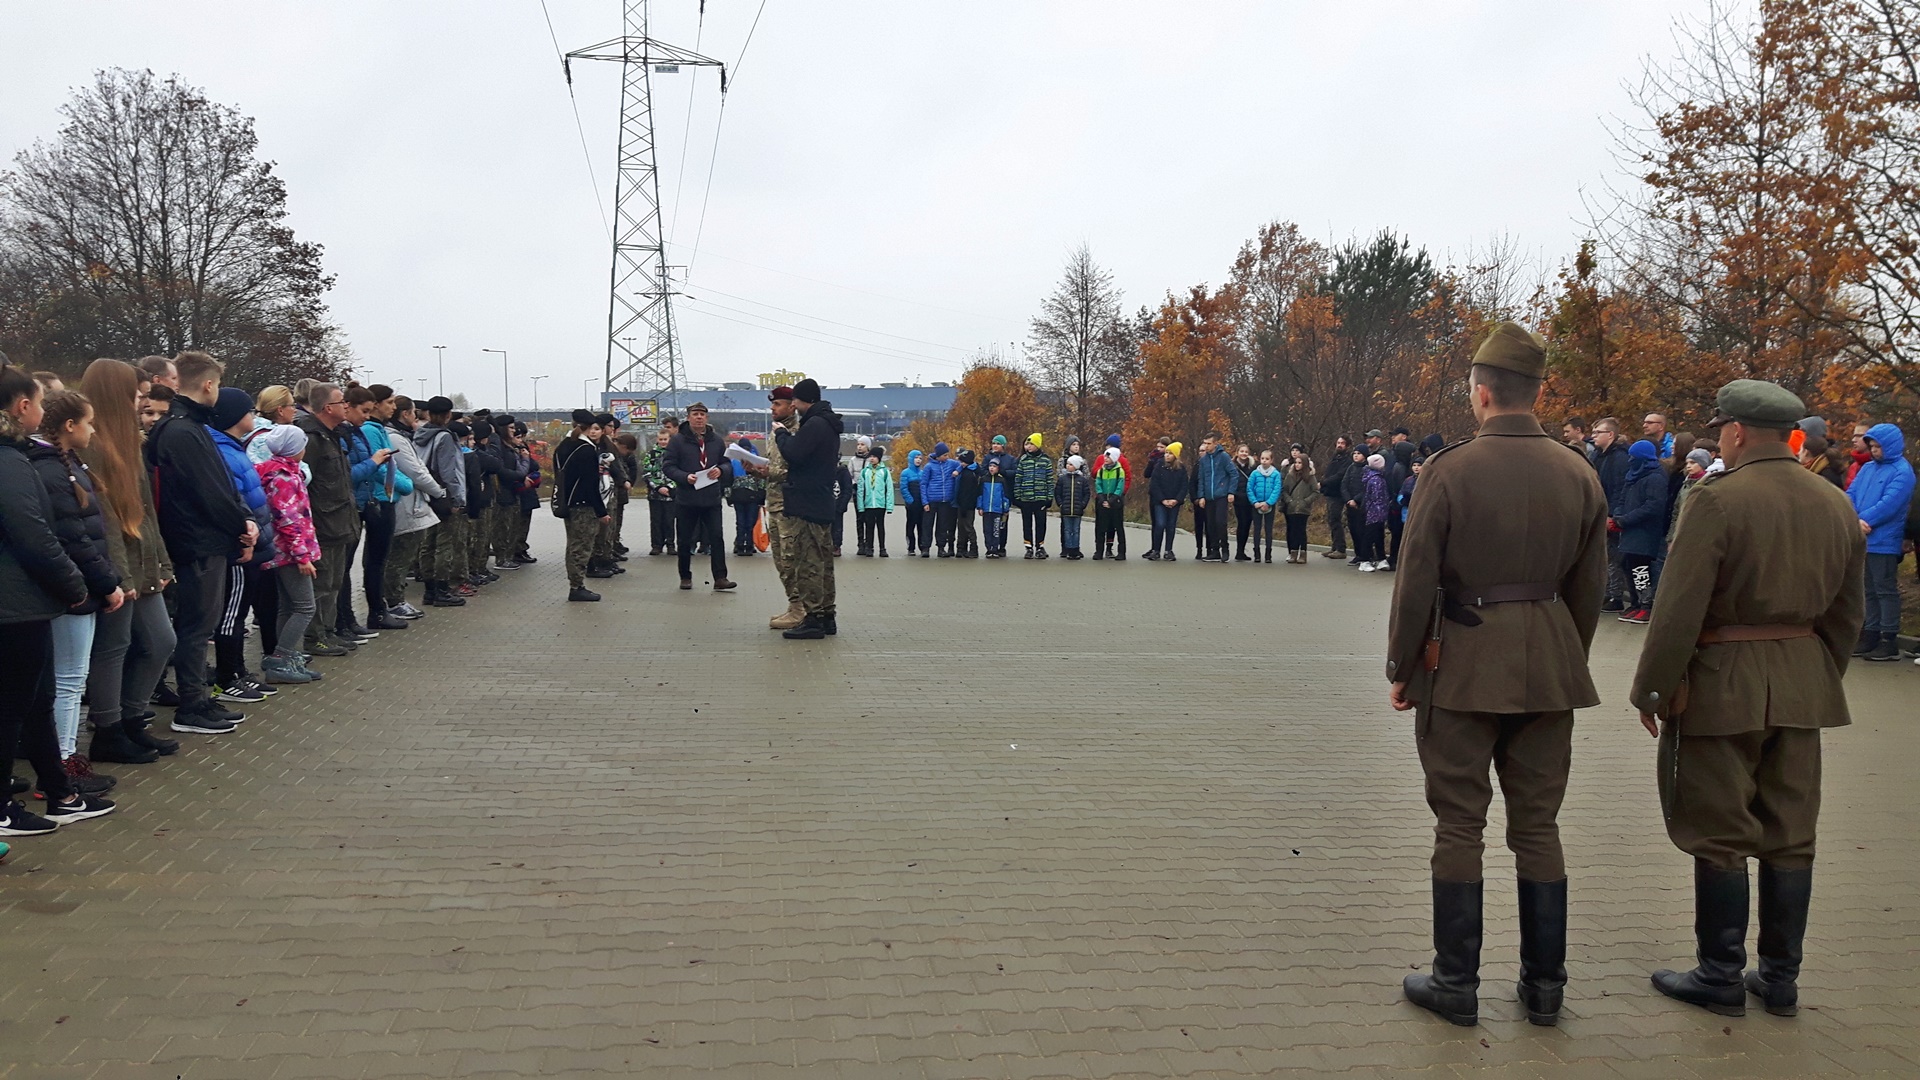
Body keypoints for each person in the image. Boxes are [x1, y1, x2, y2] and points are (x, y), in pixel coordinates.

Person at [1386, 322, 1608, 1028]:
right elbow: (1589, 588)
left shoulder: (1448, 471)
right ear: (1534, 393)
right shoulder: (1579, 471)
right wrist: (1563, 652)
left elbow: (1415, 579)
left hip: (1462, 664)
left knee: (1460, 821)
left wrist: (1402, 665)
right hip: (1549, 662)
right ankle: (1546, 989)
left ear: (1482, 396)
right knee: (1538, 823)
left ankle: (1457, 985)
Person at [1629, 379, 1865, 1019]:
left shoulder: (1715, 500)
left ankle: (1720, 975)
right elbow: (1847, 614)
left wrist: (1653, 687)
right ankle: (1780, 980)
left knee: (1722, 830)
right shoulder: (1835, 502)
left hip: (1723, 682)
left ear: (1733, 432)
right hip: (1803, 682)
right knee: (1792, 834)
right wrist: (1816, 675)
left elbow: (1678, 608)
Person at [0, 364, 115, 835]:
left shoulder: (18, 458)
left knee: (37, 700)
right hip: (15, 604)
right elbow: (35, 536)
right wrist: (75, 586)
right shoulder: (9, 463)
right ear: (22, 406)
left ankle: (60, 792)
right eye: (40, 402)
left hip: (24, 601)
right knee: (14, 707)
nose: (44, 411)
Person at [146, 352, 255, 734]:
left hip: (199, 537)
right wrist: (241, 527)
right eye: (218, 384)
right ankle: (192, 703)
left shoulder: (183, 426)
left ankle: (199, 698)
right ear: (208, 384)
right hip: (197, 541)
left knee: (198, 623)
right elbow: (210, 491)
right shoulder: (183, 430)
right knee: (197, 625)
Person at [76, 359, 178, 763]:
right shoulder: (94, 447)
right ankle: (108, 728)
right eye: (137, 396)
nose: (142, 403)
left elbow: (144, 513)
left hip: (141, 564)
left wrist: (161, 564)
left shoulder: (127, 443)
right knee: (114, 646)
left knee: (158, 642)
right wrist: (118, 575)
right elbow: (105, 519)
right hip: (120, 569)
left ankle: (131, 719)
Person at [30, 391, 127, 790]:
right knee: (69, 679)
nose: (92, 430)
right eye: (88, 422)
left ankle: (63, 761)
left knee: (67, 677)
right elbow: (74, 536)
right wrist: (107, 582)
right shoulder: (54, 472)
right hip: (74, 588)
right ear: (70, 426)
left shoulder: (63, 465)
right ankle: (63, 765)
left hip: (76, 584)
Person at [206, 386, 277, 702]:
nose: (254, 416)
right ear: (235, 416)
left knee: (240, 611)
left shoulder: (234, 448)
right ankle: (226, 678)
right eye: (249, 411)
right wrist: (245, 530)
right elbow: (231, 499)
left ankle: (238, 671)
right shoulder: (222, 451)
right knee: (232, 615)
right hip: (239, 546)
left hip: (254, 541)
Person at [253, 424, 322, 683]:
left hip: (282, 551)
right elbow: (288, 519)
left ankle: (289, 657)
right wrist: (302, 556)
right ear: (295, 449)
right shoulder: (285, 478)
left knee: (288, 605)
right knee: (305, 607)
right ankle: (280, 659)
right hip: (290, 552)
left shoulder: (276, 473)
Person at [777, 379, 843, 638]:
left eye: (795, 400)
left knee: (809, 564)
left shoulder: (815, 424)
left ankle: (813, 619)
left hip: (808, 503)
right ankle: (827, 616)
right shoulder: (827, 423)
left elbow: (795, 453)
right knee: (824, 563)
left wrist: (781, 434)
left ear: (806, 400)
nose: (793, 404)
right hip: (821, 501)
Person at [1847, 422, 1913, 661]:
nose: (1874, 450)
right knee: (1868, 590)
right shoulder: (1867, 469)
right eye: (1872, 446)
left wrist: (1863, 520)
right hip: (1862, 536)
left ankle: (1889, 638)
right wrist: (1852, 517)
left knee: (1884, 590)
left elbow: (1890, 504)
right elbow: (1851, 494)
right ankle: (1871, 633)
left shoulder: (1902, 471)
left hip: (1884, 539)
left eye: (1878, 446)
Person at [381, 396, 443, 620]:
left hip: (410, 503)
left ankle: (392, 600)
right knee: (399, 556)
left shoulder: (402, 436)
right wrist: (439, 492)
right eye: (413, 412)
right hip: (405, 505)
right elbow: (415, 471)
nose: (416, 417)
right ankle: (394, 601)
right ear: (405, 414)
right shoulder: (395, 438)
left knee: (401, 555)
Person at [662, 402, 734, 591]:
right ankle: (685, 576)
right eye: (695, 414)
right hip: (687, 498)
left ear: (707, 418)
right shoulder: (677, 440)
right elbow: (668, 466)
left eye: (703, 414)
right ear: (688, 417)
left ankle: (720, 577)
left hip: (711, 498)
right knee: (685, 539)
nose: (699, 417)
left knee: (716, 537)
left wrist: (721, 470)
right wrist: (684, 477)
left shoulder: (716, 440)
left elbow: (727, 463)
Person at [755, 387, 806, 629]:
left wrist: (771, 472)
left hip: (790, 506)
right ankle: (793, 605)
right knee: (779, 559)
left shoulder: (798, 432)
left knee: (790, 559)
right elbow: (773, 465)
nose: (772, 409)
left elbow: (800, 471)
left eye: (777, 405)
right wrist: (756, 469)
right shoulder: (775, 432)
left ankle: (801, 609)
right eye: (772, 405)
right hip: (773, 503)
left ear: (791, 406)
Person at [411, 397, 467, 608]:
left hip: (425, 492)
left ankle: (429, 590)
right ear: (448, 415)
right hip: (442, 494)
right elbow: (449, 471)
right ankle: (442, 589)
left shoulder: (419, 435)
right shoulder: (444, 437)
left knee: (428, 543)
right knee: (444, 544)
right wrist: (456, 497)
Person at [1612, 439, 1669, 624]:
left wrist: (1627, 519)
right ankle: (1635, 603)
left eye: (1634, 457)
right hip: (1628, 529)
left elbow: (1653, 505)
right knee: (1627, 565)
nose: (1630, 460)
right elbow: (1622, 498)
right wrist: (1618, 515)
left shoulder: (1655, 476)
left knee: (1640, 568)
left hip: (1645, 531)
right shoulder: (1632, 475)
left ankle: (1646, 605)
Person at [555, 409, 609, 602]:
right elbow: (590, 485)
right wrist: (601, 511)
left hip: (567, 503)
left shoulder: (563, 446)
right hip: (583, 506)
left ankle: (575, 583)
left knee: (572, 545)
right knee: (582, 546)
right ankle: (577, 586)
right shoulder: (586, 450)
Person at [1591, 418, 1631, 611]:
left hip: (1611, 513)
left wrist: (1613, 514)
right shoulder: (1598, 456)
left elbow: (1619, 488)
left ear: (1610, 435)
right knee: (1603, 556)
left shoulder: (1620, 458)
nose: (1594, 436)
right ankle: (1606, 592)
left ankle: (1616, 596)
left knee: (1613, 557)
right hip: (1598, 509)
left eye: (1598, 432)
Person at [1194, 433, 1237, 562]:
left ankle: (1225, 548)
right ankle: (1214, 550)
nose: (1206, 446)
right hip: (1209, 496)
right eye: (1205, 443)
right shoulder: (1203, 460)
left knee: (1220, 522)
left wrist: (1231, 492)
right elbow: (1201, 478)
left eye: (1209, 443)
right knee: (1210, 524)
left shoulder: (1223, 457)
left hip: (1221, 495)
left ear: (1215, 444)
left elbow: (1233, 474)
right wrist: (1201, 496)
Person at [1014, 433, 1055, 559]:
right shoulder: (1023, 460)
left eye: (1031, 444)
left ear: (1037, 445)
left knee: (1040, 523)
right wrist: (1017, 496)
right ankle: (1028, 547)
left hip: (1040, 498)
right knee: (1027, 523)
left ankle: (1040, 546)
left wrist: (1049, 497)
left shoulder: (1045, 460)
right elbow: (1018, 478)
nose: (1029, 446)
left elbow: (1050, 480)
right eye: (1027, 444)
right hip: (1026, 498)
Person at [727, 437, 767, 557]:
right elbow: (761, 482)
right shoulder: (756, 460)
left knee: (741, 522)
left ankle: (740, 545)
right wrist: (761, 497)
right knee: (750, 522)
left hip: (739, 495)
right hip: (752, 496)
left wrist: (729, 496)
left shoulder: (733, 460)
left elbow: (728, 480)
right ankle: (748, 546)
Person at [1146, 441, 1185, 561]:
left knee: (1171, 526)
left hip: (1174, 502)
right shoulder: (1159, 466)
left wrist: (1177, 500)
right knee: (1160, 524)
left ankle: (1169, 550)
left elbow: (1184, 486)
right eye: (1166, 453)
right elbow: (1154, 485)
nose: (1167, 455)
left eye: (1170, 453)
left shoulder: (1181, 469)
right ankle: (1156, 550)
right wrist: (1162, 500)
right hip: (1160, 501)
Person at [1280, 444, 1317, 564]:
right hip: (1291, 507)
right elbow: (1284, 489)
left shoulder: (1310, 477)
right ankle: (1293, 552)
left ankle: (1303, 553)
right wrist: (1289, 500)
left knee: (1301, 531)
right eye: (1296, 462)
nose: (1297, 465)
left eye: (1300, 463)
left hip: (1303, 508)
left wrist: (1306, 501)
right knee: (1293, 530)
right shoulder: (1290, 476)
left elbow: (1315, 491)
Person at [1245, 448, 1282, 564]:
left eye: (1267, 459)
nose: (1264, 461)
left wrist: (1268, 503)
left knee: (1268, 529)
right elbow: (1249, 488)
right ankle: (1256, 553)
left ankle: (1268, 554)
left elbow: (1277, 489)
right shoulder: (1255, 473)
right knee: (1256, 529)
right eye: (1262, 458)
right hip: (1257, 505)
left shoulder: (1276, 474)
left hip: (1269, 505)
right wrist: (1255, 502)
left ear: (1271, 460)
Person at [643, 427, 676, 556]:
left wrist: (670, 487)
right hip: (655, 494)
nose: (663, 442)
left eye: (665, 439)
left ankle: (671, 544)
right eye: (661, 439)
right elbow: (646, 473)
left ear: (670, 440)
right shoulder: (651, 455)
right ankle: (656, 545)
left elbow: (678, 472)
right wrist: (657, 487)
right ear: (657, 440)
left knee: (670, 520)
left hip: (671, 494)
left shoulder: (675, 454)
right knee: (656, 521)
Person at [920, 442, 957, 557]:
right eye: (945, 455)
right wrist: (925, 501)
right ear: (939, 455)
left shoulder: (951, 464)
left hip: (945, 501)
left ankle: (941, 548)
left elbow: (965, 464)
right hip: (931, 500)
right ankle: (925, 548)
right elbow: (923, 484)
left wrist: (958, 471)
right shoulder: (929, 467)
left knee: (942, 526)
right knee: (927, 524)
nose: (947, 457)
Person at [854, 447, 892, 556]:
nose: (872, 459)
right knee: (869, 526)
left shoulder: (884, 472)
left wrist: (889, 506)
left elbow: (889, 489)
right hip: (869, 504)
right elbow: (860, 489)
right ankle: (869, 547)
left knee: (881, 526)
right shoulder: (865, 472)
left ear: (879, 458)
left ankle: (882, 548)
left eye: (874, 457)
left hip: (881, 504)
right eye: (870, 456)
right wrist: (861, 506)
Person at [1093, 446, 1128, 560]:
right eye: (1105, 456)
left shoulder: (1119, 471)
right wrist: (1102, 499)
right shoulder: (1101, 470)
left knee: (1118, 527)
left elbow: (1120, 487)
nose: (1105, 458)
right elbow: (1098, 484)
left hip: (1115, 502)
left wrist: (1111, 500)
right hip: (1103, 501)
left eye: (1108, 456)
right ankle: (1099, 551)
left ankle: (1121, 552)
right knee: (1101, 527)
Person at [1321, 435, 1354, 558]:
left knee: (1336, 519)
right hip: (1330, 492)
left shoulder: (1347, 460)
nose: (1339, 445)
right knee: (1331, 520)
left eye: (1342, 443)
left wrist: (1324, 482)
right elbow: (1329, 473)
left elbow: (1339, 476)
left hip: (1338, 493)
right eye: (1338, 442)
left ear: (1347, 446)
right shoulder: (1335, 458)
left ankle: (1341, 549)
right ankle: (1334, 546)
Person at [1053, 453, 1090, 560]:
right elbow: (1057, 492)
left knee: (1076, 530)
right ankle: (1069, 549)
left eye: (1070, 464)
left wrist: (1083, 504)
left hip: (1077, 510)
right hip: (1066, 510)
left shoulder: (1082, 480)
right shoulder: (1062, 479)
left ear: (1076, 466)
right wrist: (1060, 504)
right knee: (1068, 530)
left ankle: (1076, 549)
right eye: (1067, 464)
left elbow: (1087, 493)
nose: (1067, 466)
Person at [1358, 453, 1390, 572]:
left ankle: (1381, 558)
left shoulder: (1376, 477)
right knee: (1370, 535)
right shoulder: (1376, 479)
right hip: (1375, 512)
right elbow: (1377, 498)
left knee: (1379, 535)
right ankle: (1364, 560)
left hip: (1377, 512)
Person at [978, 457, 1012, 557]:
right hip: (986, 509)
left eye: (994, 466)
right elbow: (980, 494)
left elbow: (1005, 496)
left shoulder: (1001, 480)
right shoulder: (984, 479)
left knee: (996, 530)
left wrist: (1005, 508)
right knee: (987, 529)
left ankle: (995, 548)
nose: (992, 468)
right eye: (990, 466)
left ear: (998, 468)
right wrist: (980, 507)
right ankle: (989, 549)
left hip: (997, 510)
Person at [1340, 447, 1368, 566]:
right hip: (1350, 504)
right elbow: (1344, 484)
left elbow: (1367, 487)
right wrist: (1348, 499)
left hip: (1362, 505)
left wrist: (1356, 500)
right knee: (1353, 530)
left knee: (1362, 530)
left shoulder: (1367, 468)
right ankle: (1357, 554)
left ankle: (1365, 554)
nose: (1356, 456)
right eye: (1354, 453)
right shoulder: (1351, 468)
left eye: (1359, 454)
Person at [952, 448, 982, 559]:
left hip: (967, 504)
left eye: (962, 462)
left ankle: (973, 548)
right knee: (961, 526)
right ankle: (961, 548)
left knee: (968, 527)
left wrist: (964, 506)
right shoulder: (966, 470)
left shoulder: (968, 474)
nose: (961, 464)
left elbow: (966, 492)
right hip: (963, 503)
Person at [898, 449, 925, 557]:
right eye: (916, 458)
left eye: (920, 458)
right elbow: (903, 488)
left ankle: (922, 546)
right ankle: (911, 547)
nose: (918, 460)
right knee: (911, 525)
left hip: (921, 504)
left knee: (921, 526)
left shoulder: (923, 473)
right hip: (912, 505)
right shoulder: (906, 473)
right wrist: (910, 501)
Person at [1232, 444, 1256, 561]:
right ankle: (1239, 550)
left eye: (1246, 451)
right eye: (1241, 451)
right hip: (1238, 499)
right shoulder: (1232, 466)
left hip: (1250, 499)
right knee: (1241, 523)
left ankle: (1242, 550)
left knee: (1247, 524)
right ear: (1237, 452)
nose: (1244, 453)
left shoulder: (1252, 467)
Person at [831, 455, 855, 557]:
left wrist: (842, 504)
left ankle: (836, 546)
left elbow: (847, 489)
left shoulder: (843, 472)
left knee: (837, 526)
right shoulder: (823, 471)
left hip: (838, 504)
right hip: (825, 505)